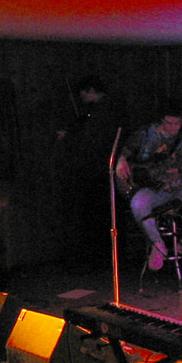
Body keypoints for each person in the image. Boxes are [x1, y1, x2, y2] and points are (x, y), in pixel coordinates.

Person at [116, 100, 182, 271]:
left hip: (178, 186)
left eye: (177, 123)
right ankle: (157, 245)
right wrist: (121, 160)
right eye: (169, 123)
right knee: (138, 203)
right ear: (161, 121)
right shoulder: (146, 134)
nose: (173, 127)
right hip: (153, 188)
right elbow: (125, 151)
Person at [57, 75, 125, 270]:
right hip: (101, 170)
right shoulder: (104, 109)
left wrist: (70, 137)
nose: (82, 99)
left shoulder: (102, 112)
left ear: (91, 91)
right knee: (102, 214)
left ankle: (99, 259)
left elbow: (92, 139)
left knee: (97, 214)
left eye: (84, 94)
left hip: (98, 171)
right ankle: (103, 258)